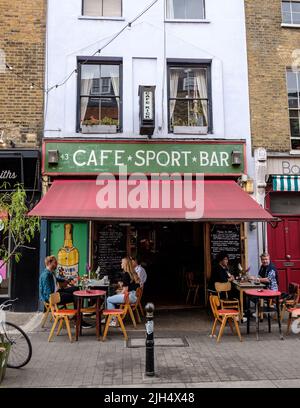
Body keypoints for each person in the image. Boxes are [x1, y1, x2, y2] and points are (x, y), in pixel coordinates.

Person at [39, 255, 92, 328]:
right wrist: (55, 301)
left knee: (75, 289)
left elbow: (56, 279)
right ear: (49, 263)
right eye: (55, 263)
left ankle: (77, 316)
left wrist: (65, 280)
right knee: (77, 296)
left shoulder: (50, 272)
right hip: (54, 297)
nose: (57, 264)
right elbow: (48, 294)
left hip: (57, 292)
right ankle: (79, 321)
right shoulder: (46, 275)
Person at [106, 256, 140, 326]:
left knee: (109, 299)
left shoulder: (126, 275)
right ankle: (114, 318)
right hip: (134, 297)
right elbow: (130, 286)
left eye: (122, 263)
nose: (121, 264)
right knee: (114, 298)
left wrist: (118, 294)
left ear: (125, 264)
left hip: (128, 297)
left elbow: (125, 290)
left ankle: (114, 320)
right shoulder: (133, 274)